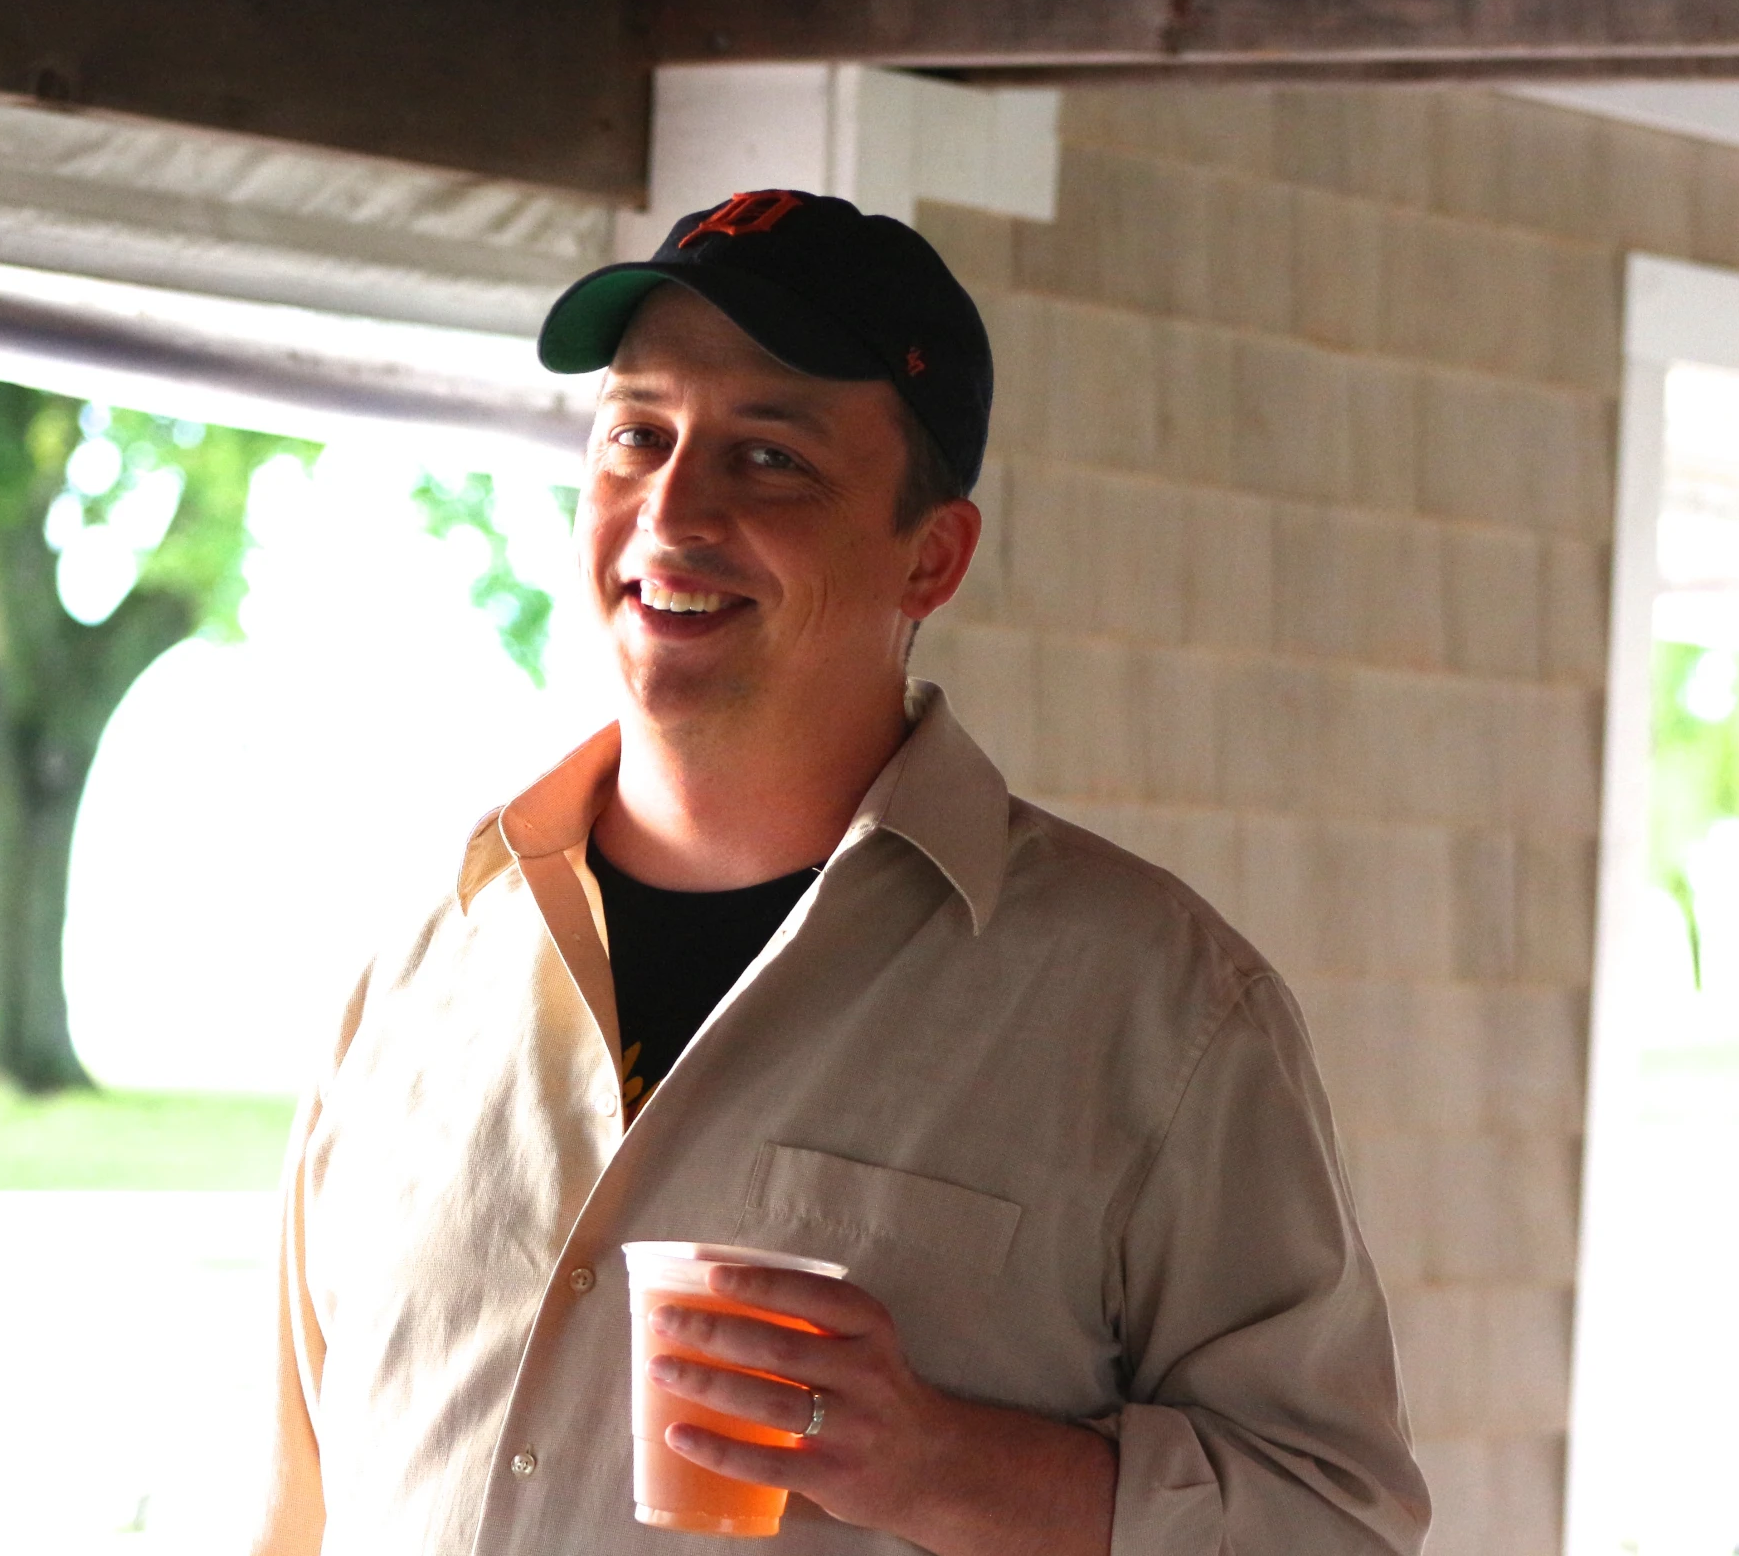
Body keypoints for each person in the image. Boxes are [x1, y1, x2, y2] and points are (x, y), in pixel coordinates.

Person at [255, 189, 1430, 1556]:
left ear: (929, 555)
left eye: (769, 459)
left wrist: (934, 1461)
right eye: (637, 433)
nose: (672, 510)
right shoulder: (413, 975)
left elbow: (1333, 1523)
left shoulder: (1160, 1006)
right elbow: (295, 1502)